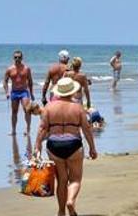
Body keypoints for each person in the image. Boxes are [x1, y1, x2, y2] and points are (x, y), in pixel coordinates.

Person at [34, 77, 98, 216]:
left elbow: (42, 129)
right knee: (75, 179)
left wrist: (37, 147)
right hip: (74, 145)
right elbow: (86, 129)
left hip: (54, 146)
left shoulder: (49, 107)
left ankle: (61, 211)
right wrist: (92, 148)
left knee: (61, 180)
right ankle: (70, 201)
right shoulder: (78, 107)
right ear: (72, 91)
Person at [3, 49, 35, 137]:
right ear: (13, 58)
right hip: (14, 92)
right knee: (14, 112)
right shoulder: (9, 69)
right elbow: (5, 81)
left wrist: (31, 94)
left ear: (22, 58)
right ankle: (13, 130)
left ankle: (28, 128)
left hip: (24, 92)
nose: (17, 59)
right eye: (15, 57)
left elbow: (30, 81)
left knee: (27, 110)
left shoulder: (26, 68)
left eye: (19, 57)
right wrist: (7, 92)